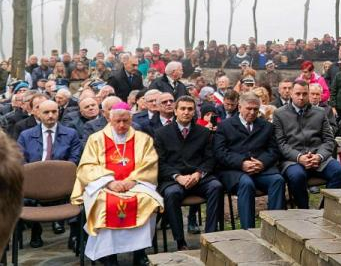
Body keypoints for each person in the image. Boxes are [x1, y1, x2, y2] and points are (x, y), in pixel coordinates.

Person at [71, 102, 162, 265]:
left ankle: (139, 252)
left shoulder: (142, 139)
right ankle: (108, 255)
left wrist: (132, 180)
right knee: (105, 204)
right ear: (109, 119)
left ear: (130, 119)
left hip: (136, 184)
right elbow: (87, 166)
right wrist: (109, 182)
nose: (121, 125)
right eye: (117, 121)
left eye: (125, 121)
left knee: (148, 201)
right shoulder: (96, 139)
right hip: (104, 185)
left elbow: (150, 163)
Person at [153, 96, 223, 249]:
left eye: (190, 109)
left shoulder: (204, 132)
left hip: (198, 178)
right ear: (175, 111)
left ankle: (210, 237)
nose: (186, 112)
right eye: (183, 109)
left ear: (194, 112)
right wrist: (178, 177)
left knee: (216, 186)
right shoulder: (161, 133)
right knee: (171, 193)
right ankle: (180, 241)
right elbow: (160, 162)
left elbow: (210, 159)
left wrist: (198, 174)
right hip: (173, 179)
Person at [17, 100, 83, 248]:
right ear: (37, 114)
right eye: (46, 112)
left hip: (62, 182)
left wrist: (57, 175)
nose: (51, 115)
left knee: (79, 194)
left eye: (54, 112)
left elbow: (75, 159)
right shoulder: (26, 135)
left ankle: (74, 235)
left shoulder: (71, 134)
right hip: (33, 183)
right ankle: (35, 229)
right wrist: (37, 176)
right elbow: (20, 159)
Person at [214, 92, 285, 228]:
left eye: (256, 109)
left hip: (261, 170)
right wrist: (242, 163)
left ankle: (273, 227)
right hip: (234, 171)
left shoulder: (266, 126)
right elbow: (220, 152)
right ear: (239, 107)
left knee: (278, 180)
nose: (252, 112)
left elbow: (274, 150)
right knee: (246, 184)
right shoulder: (225, 126)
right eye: (249, 108)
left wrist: (262, 163)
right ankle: (248, 230)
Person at [274, 80, 341, 209]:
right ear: (291, 93)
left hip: (318, 158)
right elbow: (281, 143)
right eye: (298, 94)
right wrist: (299, 157)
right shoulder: (279, 114)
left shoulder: (320, 112)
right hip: (293, 160)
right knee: (297, 176)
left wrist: (319, 156)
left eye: (304, 94)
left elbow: (329, 140)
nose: (301, 97)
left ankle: (325, 210)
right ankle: (304, 210)